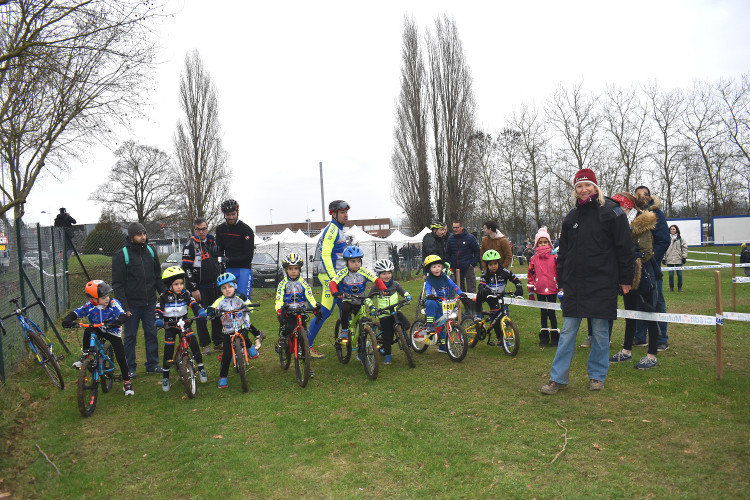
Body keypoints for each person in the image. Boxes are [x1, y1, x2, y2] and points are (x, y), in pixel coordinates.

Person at [541, 168, 635, 395]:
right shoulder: (571, 217)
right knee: (568, 332)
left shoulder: (612, 212)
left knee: (601, 334)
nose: (583, 190)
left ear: (595, 187)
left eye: (587, 185)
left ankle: (597, 376)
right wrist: (562, 280)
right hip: (575, 284)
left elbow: (625, 248)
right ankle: (558, 378)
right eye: (579, 186)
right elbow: (563, 253)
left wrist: (625, 279)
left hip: (603, 283)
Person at [607, 193, 660, 370]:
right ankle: (626, 351)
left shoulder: (640, 223)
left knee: (649, 314)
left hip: (643, 275)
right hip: (627, 275)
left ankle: (651, 355)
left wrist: (628, 260)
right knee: (630, 314)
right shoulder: (617, 222)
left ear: (627, 206)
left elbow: (647, 252)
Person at [112, 222, 166, 378]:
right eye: (139, 234)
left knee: (152, 333)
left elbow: (157, 277)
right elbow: (118, 284)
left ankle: (152, 364)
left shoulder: (151, 251)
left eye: (144, 234)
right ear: (131, 236)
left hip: (150, 302)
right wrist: (124, 307)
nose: (143, 237)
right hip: (131, 305)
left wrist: (164, 296)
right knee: (130, 336)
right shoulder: (121, 255)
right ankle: (130, 367)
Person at [61, 280, 133, 396]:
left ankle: (127, 381)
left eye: (107, 296)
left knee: (120, 355)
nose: (107, 299)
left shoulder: (112, 303)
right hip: (97, 329)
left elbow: (121, 313)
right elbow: (76, 312)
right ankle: (86, 356)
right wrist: (68, 320)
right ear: (94, 299)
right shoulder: (89, 306)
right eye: (103, 297)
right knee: (88, 331)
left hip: (112, 330)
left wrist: (119, 320)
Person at [215, 199, 265, 344]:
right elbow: (219, 250)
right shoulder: (220, 229)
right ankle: (253, 333)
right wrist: (216, 254)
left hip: (243, 270)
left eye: (233, 214)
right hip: (229, 269)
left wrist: (227, 258)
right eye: (227, 214)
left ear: (237, 212)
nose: (230, 217)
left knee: (243, 304)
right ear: (223, 214)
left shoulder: (246, 230)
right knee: (229, 304)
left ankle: (246, 340)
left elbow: (248, 256)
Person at [307, 199, 350, 359]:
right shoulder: (332, 230)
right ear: (333, 214)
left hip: (337, 276)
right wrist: (333, 278)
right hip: (329, 276)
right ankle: (307, 346)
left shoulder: (339, 229)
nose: (345, 215)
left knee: (345, 306)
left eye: (346, 212)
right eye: (342, 212)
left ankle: (347, 340)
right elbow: (325, 255)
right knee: (324, 311)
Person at [156, 266, 208, 391]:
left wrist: (199, 310)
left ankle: (201, 368)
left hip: (184, 323)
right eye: (176, 284)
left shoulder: (186, 294)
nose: (179, 286)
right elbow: (158, 309)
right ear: (170, 285)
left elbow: (193, 303)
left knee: (193, 342)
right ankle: (166, 376)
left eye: (181, 283)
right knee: (168, 349)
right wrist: (158, 319)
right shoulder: (163, 296)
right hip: (170, 325)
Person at [633, 186, 669, 351]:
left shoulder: (657, 215)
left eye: (645, 194)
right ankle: (640, 337)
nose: (643, 197)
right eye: (639, 194)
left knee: (657, 302)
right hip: (636, 267)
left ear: (650, 197)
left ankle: (662, 338)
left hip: (652, 267)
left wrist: (652, 260)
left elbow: (663, 240)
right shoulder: (633, 215)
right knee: (639, 302)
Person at [207, 272, 259, 389]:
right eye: (224, 288)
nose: (227, 290)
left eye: (230, 286)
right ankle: (223, 377)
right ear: (221, 290)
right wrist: (211, 311)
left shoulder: (240, 296)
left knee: (245, 337)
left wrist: (249, 306)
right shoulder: (219, 301)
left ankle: (250, 348)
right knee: (226, 356)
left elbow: (248, 303)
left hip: (240, 326)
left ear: (234, 286)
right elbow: (211, 308)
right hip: (227, 331)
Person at [329, 245, 388, 346]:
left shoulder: (363, 271)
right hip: (347, 300)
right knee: (344, 308)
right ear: (346, 262)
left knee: (363, 321)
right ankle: (344, 330)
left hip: (360, 301)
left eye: (358, 261)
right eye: (353, 261)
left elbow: (376, 280)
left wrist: (383, 288)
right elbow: (333, 283)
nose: (357, 264)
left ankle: (362, 346)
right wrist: (335, 292)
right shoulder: (343, 272)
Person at [182, 217, 223, 354]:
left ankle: (218, 342)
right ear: (194, 229)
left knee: (217, 314)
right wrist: (193, 288)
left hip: (215, 285)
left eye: (204, 229)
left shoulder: (213, 241)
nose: (201, 232)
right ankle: (205, 345)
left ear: (207, 228)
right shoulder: (190, 244)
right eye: (198, 229)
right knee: (201, 317)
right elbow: (186, 268)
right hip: (200, 288)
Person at [366, 259, 411, 364]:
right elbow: (368, 299)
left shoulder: (395, 284)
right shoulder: (376, 287)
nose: (387, 276)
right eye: (383, 274)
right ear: (378, 275)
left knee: (407, 324)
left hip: (395, 311)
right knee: (387, 336)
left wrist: (407, 295)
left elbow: (403, 292)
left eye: (389, 273)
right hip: (384, 314)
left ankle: (402, 337)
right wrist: (372, 307)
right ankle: (387, 354)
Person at [274, 253, 320, 355]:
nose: (293, 271)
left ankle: (306, 363)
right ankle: (282, 337)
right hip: (288, 311)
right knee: (289, 327)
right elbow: (279, 299)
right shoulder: (282, 284)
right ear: (286, 270)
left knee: (304, 339)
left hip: (301, 312)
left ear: (300, 269)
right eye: (290, 269)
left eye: (296, 268)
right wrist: (279, 310)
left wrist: (315, 307)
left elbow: (310, 296)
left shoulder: (304, 283)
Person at [475, 249, 522, 346]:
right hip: (489, 295)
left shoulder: (504, 272)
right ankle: (478, 314)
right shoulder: (485, 273)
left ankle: (502, 339)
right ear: (487, 265)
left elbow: (516, 279)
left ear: (498, 263)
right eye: (490, 264)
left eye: (495, 263)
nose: (493, 266)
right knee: (481, 294)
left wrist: (519, 288)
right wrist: (482, 288)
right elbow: (482, 283)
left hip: (500, 295)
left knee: (500, 316)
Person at [422, 254, 466, 353]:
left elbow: (453, 285)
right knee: (430, 303)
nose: (437, 269)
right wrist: (429, 295)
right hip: (434, 302)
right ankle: (429, 325)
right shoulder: (429, 280)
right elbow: (428, 289)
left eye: (438, 266)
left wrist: (460, 293)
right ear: (429, 269)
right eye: (433, 267)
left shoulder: (445, 277)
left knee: (441, 324)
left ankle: (442, 346)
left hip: (444, 303)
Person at [526, 228, 559, 346]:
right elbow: (530, 275)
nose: (543, 244)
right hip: (539, 289)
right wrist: (530, 292)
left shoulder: (555, 258)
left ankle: (555, 337)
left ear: (549, 242)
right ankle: (544, 337)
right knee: (543, 313)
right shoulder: (533, 259)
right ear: (536, 244)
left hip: (552, 289)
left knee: (552, 312)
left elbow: (559, 273)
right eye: (541, 242)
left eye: (545, 242)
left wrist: (561, 289)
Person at [446, 220, 480, 316]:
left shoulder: (470, 238)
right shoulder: (451, 239)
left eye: (457, 227)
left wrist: (472, 264)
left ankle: (474, 311)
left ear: (461, 227)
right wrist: (451, 263)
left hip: (468, 268)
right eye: (454, 227)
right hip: (457, 269)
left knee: (471, 289)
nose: (455, 229)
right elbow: (447, 253)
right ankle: (466, 310)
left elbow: (477, 251)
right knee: (460, 290)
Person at [664, 224, 688, 292]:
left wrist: (684, 257)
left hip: (678, 259)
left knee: (679, 274)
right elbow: (663, 249)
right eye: (671, 229)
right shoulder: (666, 238)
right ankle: (671, 288)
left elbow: (684, 247)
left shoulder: (681, 238)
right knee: (671, 275)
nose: (672, 230)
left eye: (674, 229)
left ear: (676, 230)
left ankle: (680, 288)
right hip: (669, 259)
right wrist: (663, 258)